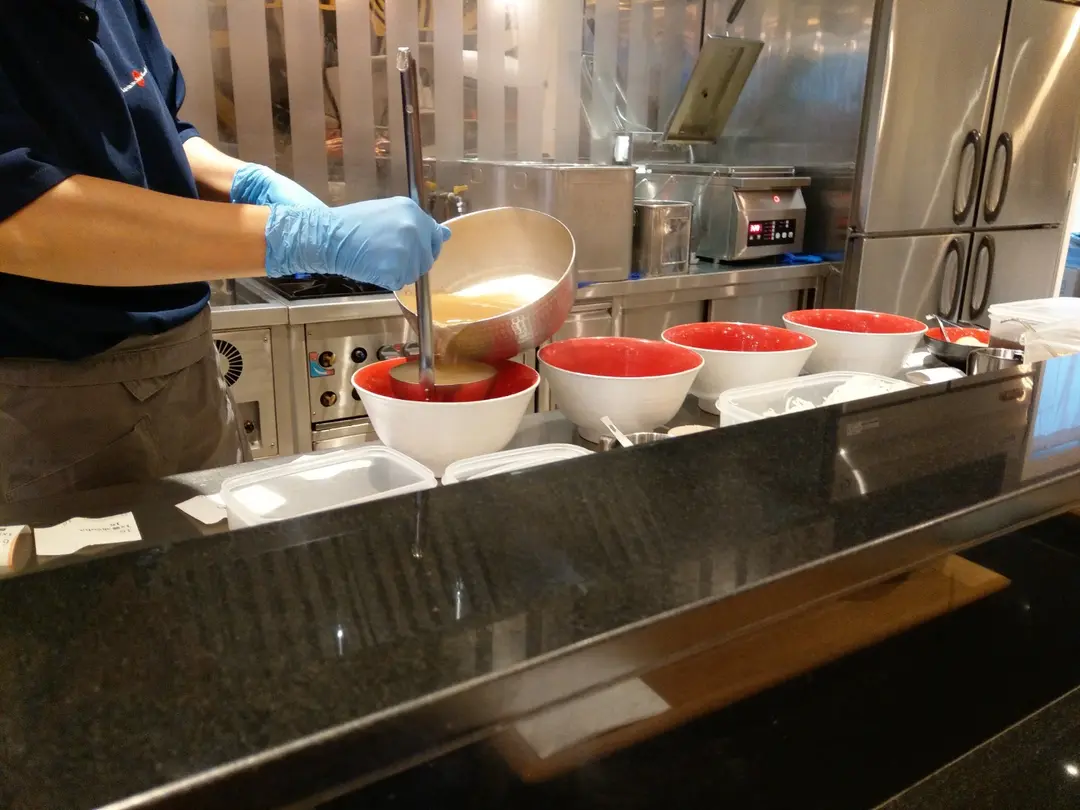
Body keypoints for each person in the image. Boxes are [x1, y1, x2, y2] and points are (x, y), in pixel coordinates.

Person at [0, 0, 450, 503]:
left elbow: (159, 130)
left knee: (227, 542)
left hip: (189, 360)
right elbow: (20, 218)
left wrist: (244, 182)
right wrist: (299, 237)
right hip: (55, 397)